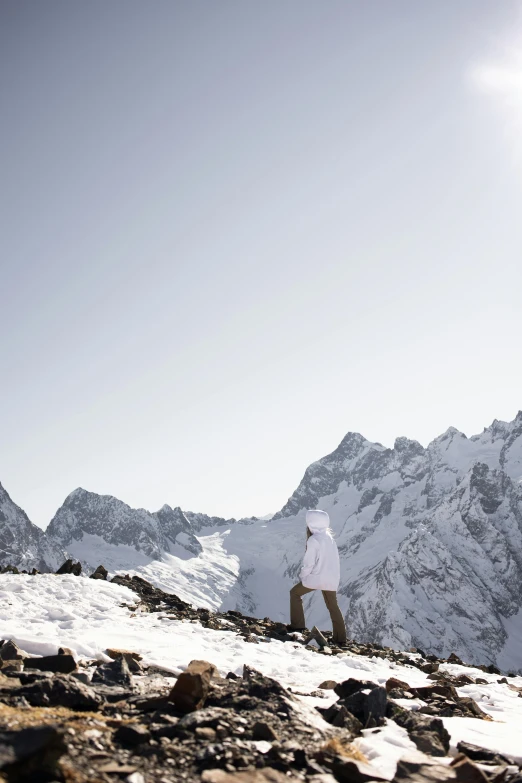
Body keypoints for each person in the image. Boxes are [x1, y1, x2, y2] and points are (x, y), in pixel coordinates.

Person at [289, 509, 347, 646]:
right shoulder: (330, 538)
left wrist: (303, 576)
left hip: (315, 578)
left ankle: (298, 626)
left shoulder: (313, 540)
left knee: (295, 593)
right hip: (331, 579)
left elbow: (309, 563)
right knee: (333, 606)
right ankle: (340, 638)